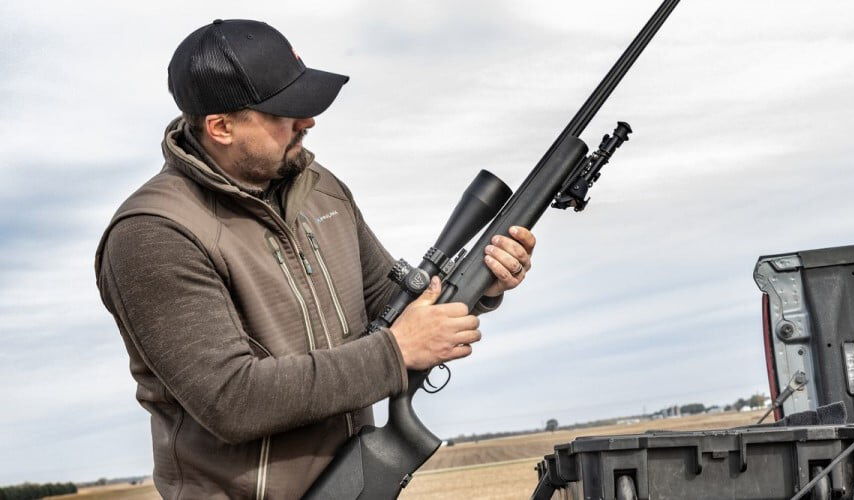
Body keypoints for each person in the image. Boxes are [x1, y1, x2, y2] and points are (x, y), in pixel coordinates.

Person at [93, 19, 536, 499]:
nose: (307, 122)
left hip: (355, 484)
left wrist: (483, 283)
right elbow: (232, 399)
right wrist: (395, 352)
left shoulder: (320, 190)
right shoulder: (153, 233)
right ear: (221, 126)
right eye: (285, 111)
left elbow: (394, 306)